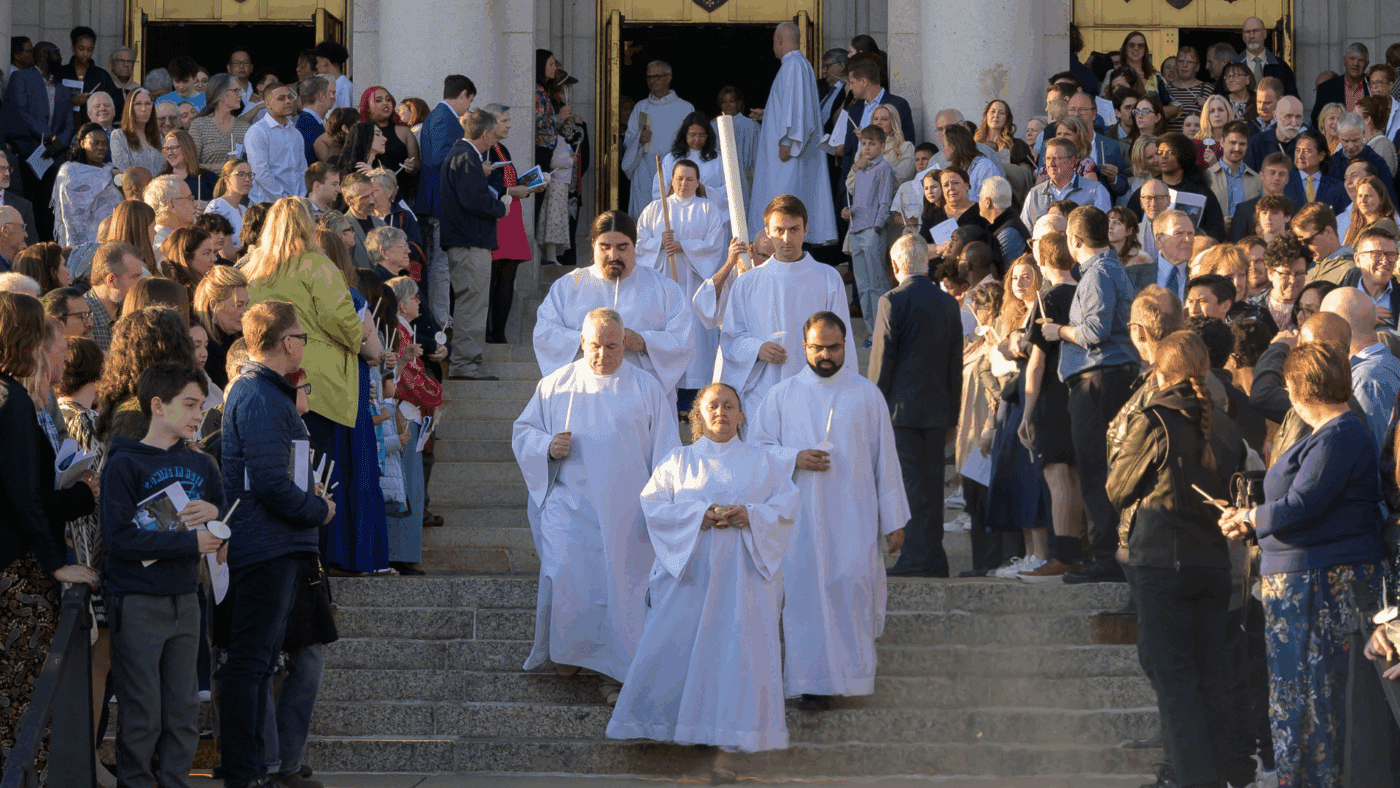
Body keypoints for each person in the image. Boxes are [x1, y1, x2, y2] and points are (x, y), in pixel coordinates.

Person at [607, 382, 799, 779]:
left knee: (737, 656)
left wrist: (751, 515)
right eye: (712, 405)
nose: (721, 412)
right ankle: (676, 730)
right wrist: (698, 515)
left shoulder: (764, 462)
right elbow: (653, 505)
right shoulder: (678, 461)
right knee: (679, 646)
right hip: (691, 577)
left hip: (746, 580)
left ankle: (729, 748)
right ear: (698, 414)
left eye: (729, 406)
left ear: (741, 416)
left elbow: (786, 507)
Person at [1218, 339, 1385, 787]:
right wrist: (1251, 520)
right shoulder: (1327, 435)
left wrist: (1251, 518)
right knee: (1301, 701)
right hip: (1304, 585)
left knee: (1316, 703)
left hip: (1320, 588)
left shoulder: (1341, 434)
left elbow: (1303, 503)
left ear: (1298, 387)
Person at [512, 308, 679, 703]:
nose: (603, 354)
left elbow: (667, 453)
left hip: (629, 511)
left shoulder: (647, 387)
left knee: (622, 589)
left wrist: (663, 506)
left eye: (612, 346)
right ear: (582, 342)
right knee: (568, 575)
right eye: (595, 345)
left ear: (625, 343)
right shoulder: (556, 385)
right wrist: (546, 446)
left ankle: (616, 672)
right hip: (570, 506)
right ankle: (569, 653)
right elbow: (523, 432)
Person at [1106, 331, 1250, 788]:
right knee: (1212, 675)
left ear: (1159, 374)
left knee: (1175, 680)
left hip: (1161, 562)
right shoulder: (1226, 426)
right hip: (1213, 563)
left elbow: (1117, 489)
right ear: (1204, 368)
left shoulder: (1154, 419)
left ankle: (1193, 778)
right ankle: (1227, 774)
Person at [749, 311, 908, 711]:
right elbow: (756, 454)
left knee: (852, 588)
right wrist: (794, 457)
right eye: (818, 347)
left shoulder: (866, 395)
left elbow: (886, 461)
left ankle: (853, 683)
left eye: (834, 347)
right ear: (804, 347)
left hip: (855, 517)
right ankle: (811, 684)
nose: (826, 355)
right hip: (800, 523)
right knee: (806, 598)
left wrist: (893, 520)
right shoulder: (781, 395)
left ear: (845, 346)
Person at [218, 300, 334, 788]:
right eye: (302, 336)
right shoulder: (260, 395)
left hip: (276, 544)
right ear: (287, 342)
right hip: (266, 546)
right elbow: (268, 481)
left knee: (260, 662)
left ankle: (254, 770)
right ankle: (246, 772)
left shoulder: (265, 392)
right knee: (251, 664)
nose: (303, 344)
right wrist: (317, 510)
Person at [102, 361, 223, 788]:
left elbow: (225, 519)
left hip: (186, 598)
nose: (197, 414)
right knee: (142, 712)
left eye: (201, 405)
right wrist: (189, 543)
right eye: (188, 404)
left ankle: (176, 781)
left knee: (183, 709)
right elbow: (119, 538)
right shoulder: (124, 463)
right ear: (157, 405)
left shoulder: (204, 465)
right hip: (137, 599)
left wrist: (215, 514)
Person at [245, 199, 375, 577]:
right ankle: (325, 562)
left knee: (287, 471)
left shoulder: (253, 269)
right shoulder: (317, 266)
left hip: (268, 378)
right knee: (321, 474)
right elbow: (342, 320)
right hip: (319, 382)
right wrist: (360, 339)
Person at [0, 291, 100, 772]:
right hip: (18, 574)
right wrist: (57, 564)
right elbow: (24, 496)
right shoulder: (14, 403)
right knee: (22, 702)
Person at [1038, 206, 1138, 583]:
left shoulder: (1097, 273)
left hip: (1098, 381)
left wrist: (1058, 331)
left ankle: (1106, 558)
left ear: (1075, 240)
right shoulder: (1110, 269)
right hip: (1108, 380)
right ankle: (1109, 554)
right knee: (1101, 470)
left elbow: (1094, 331)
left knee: (1096, 471)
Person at [868, 234, 961, 578]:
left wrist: (873, 409)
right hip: (937, 411)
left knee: (908, 486)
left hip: (901, 412)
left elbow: (882, 362)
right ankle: (934, 556)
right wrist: (954, 415)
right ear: (926, 262)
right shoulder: (948, 303)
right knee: (932, 484)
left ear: (895, 265)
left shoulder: (892, 301)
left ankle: (915, 557)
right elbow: (955, 364)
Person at [535, 210, 692, 409]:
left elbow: (682, 339)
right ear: (593, 244)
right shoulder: (567, 286)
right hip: (582, 399)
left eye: (622, 247)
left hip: (641, 401)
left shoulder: (664, 288)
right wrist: (589, 341)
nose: (613, 255)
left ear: (635, 246)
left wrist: (643, 342)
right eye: (605, 247)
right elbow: (545, 333)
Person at [717, 196, 856, 412]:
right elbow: (731, 338)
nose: (786, 238)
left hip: (814, 393)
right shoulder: (748, 282)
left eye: (794, 229)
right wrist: (757, 348)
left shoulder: (827, 278)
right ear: (768, 231)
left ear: (806, 229)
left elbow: (842, 338)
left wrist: (847, 394)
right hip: (762, 393)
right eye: (779, 230)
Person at [635, 159, 726, 393]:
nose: (684, 184)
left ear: (698, 183)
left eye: (689, 179)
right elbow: (639, 244)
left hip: (694, 285)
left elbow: (715, 245)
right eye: (679, 179)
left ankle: (694, 392)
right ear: (671, 181)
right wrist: (659, 243)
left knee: (694, 333)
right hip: (663, 283)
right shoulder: (655, 209)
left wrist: (683, 246)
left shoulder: (708, 209)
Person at [748, 22, 836, 245]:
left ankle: (781, 240)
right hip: (790, 144)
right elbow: (795, 107)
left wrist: (788, 141)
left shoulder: (793, 65)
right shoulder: (799, 64)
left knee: (783, 199)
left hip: (789, 153)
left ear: (779, 40)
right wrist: (768, 114)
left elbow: (795, 108)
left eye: (774, 41)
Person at [440, 108, 507, 381]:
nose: (495, 140)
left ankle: (466, 361)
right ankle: (465, 363)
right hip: (470, 242)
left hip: (467, 241)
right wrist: (501, 207)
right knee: (472, 303)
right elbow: (474, 200)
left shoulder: (462, 155)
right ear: (487, 133)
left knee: (471, 302)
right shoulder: (466, 157)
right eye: (494, 134)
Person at [416, 74, 474, 327]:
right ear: (463, 95)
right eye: (469, 100)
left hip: (441, 200)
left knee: (441, 264)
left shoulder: (442, 116)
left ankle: (441, 317)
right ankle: (440, 320)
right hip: (440, 201)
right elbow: (440, 158)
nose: (468, 106)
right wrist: (472, 163)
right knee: (440, 265)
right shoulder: (443, 117)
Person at [483, 103, 541, 344]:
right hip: (495, 218)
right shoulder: (483, 148)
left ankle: (499, 334)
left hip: (511, 215)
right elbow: (485, 185)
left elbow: (507, 181)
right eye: (504, 121)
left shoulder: (502, 148)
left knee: (507, 278)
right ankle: (486, 334)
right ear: (490, 123)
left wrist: (528, 186)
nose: (509, 125)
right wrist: (512, 190)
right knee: (491, 279)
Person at [1320, 283, 1400, 449]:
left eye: (1323, 323)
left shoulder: (1367, 377)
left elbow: (1370, 449)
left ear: (1337, 327)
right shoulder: (1382, 366)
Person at [620, 60, 695, 218]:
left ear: (669, 78)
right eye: (649, 77)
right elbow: (627, 140)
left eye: (657, 77)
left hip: (673, 172)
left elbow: (691, 143)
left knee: (671, 217)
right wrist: (639, 139)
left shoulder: (685, 108)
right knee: (645, 217)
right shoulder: (641, 107)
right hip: (644, 171)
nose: (652, 81)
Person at [845, 125, 895, 336]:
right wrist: (848, 212)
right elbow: (860, 201)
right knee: (863, 285)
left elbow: (884, 201)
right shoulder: (861, 171)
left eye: (872, 144)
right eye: (864, 143)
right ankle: (871, 331)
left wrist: (877, 228)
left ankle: (885, 331)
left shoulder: (883, 168)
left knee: (877, 283)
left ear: (882, 146)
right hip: (856, 228)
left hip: (872, 230)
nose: (866, 147)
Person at [52, 122, 122, 247]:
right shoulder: (70, 170)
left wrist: (117, 176)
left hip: (111, 238)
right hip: (79, 241)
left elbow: (125, 188)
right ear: (82, 143)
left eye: (104, 143)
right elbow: (71, 212)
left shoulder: (111, 170)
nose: (101, 147)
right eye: (95, 143)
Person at [1020, 137, 1111, 229]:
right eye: (1048, 158)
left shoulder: (1096, 191)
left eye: (1057, 158)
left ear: (1072, 161)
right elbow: (1025, 231)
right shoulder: (1034, 194)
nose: (1051, 164)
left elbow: (1103, 230)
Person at [651, 111, 728, 218]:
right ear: (684, 135)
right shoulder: (672, 159)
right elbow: (659, 191)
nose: (697, 139)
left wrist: (706, 191)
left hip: (708, 215)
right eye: (692, 135)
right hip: (678, 215)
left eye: (702, 135)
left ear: (708, 136)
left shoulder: (718, 159)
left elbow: (729, 191)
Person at [244, 83, 307, 204]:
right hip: (266, 205)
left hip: (295, 204)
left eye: (289, 97)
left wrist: (300, 197)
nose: (288, 101)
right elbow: (260, 173)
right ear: (267, 104)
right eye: (281, 98)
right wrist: (284, 198)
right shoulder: (257, 131)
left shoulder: (296, 133)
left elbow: (302, 170)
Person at [193, 264, 248, 390]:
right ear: (214, 305)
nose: (245, 312)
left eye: (246, 304)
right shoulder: (204, 351)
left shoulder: (240, 337)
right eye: (239, 305)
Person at [84, 242, 142, 351]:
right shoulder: (81, 317)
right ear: (112, 280)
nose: (141, 284)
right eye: (135, 277)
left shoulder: (132, 310)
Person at [1207, 121, 1260, 226]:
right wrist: (1218, 223)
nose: (1237, 148)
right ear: (1222, 142)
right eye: (1232, 143)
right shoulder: (1206, 177)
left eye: (1242, 144)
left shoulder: (1257, 180)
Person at [1243, 95, 1305, 174]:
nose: (1294, 122)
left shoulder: (1306, 145)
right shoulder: (1256, 143)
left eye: (1298, 117)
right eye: (1288, 116)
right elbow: (1248, 177)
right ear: (1275, 116)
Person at [111, 87, 165, 175]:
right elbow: (124, 173)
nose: (144, 109)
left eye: (147, 104)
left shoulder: (159, 137)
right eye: (138, 104)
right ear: (130, 108)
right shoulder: (119, 136)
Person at [1261, 234, 1309, 329]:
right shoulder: (1253, 306)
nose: (1293, 280)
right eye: (1286, 274)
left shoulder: (1314, 309)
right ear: (1270, 273)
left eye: (1299, 273)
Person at [160, 129, 219, 203]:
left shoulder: (209, 178)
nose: (170, 153)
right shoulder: (161, 181)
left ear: (187, 148)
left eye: (174, 148)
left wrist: (206, 207)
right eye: (167, 149)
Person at [295, 77, 334, 165]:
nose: (332, 97)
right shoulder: (308, 124)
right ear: (322, 96)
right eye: (330, 93)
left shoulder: (309, 121)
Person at [312, 40, 355, 109]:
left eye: (318, 62)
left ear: (325, 61)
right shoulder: (331, 85)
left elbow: (345, 113)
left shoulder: (345, 86)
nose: (316, 66)